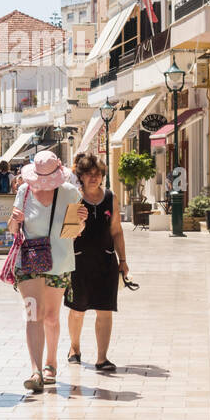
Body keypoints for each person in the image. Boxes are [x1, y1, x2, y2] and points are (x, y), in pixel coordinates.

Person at [6, 150, 84, 392]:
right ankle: (35, 370)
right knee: (32, 314)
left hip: (59, 261)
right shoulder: (24, 191)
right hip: (29, 261)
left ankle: (51, 362)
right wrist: (14, 219)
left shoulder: (70, 193)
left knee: (50, 316)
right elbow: (12, 230)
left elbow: (74, 233)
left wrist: (80, 222)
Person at [65, 154, 127, 371]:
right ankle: (74, 348)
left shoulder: (110, 197)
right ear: (81, 176)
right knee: (77, 309)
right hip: (78, 262)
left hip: (106, 261)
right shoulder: (74, 198)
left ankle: (102, 358)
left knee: (105, 309)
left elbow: (117, 230)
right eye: (90, 174)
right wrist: (77, 220)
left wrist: (123, 260)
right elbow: (67, 234)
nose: (94, 178)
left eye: (98, 174)